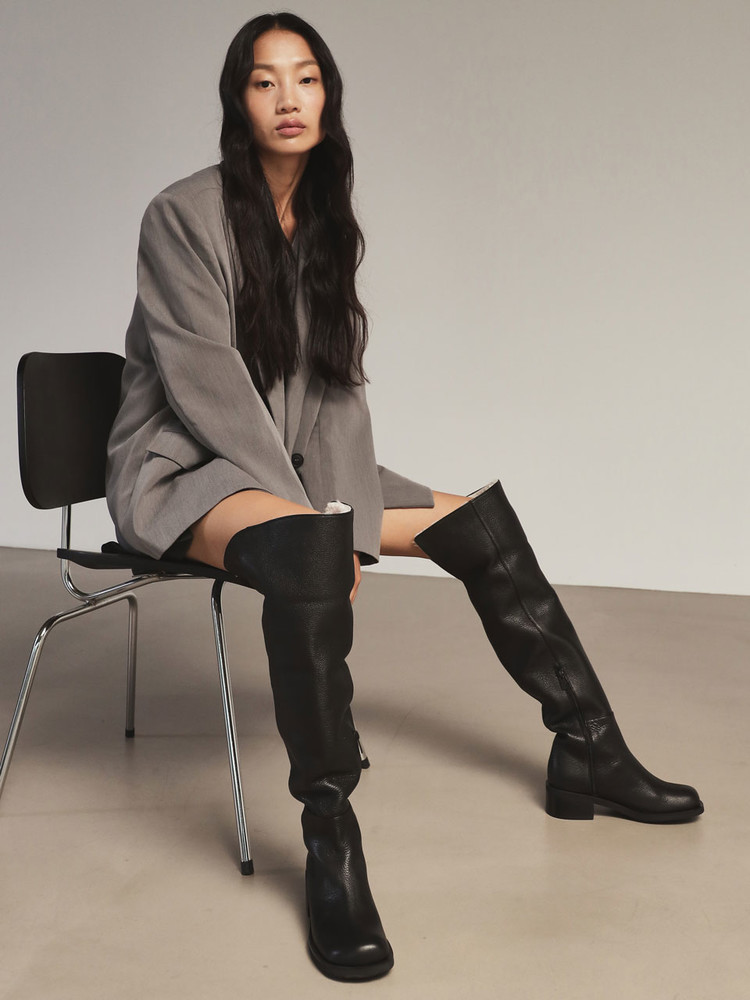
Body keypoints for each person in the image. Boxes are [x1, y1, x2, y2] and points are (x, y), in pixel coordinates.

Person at [105, 11, 703, 983]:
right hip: (184, 465)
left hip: (294, 465)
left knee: (476, 521)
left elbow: (339, 393)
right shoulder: (181, 216)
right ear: (237, 101)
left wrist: (339, 518)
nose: (288, 97)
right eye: (264, 80)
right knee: (307, 549)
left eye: (306, 77)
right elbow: (210, 387)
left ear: (329, 95)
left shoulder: (325, 221)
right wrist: (321, 527)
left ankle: (589, 746)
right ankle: (332, 838)